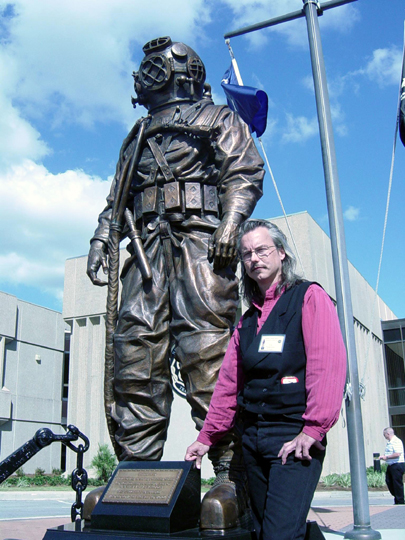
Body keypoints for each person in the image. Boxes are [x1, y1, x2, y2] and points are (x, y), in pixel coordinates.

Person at [86, 36, 264, 528]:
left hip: (202, 248)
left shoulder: (219, 119)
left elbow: (243, 172)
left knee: (208, 352)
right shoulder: (137, 135)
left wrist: (231, 223)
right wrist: (104, 237)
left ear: (181, 71)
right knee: (136, 355)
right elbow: (117, 197)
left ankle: (230, 475)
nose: (143, 75)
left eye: (153, 66)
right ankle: (137, 473)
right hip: (145, 253)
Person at [185, 219, 347, 540]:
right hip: (253, 440)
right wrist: (206, 439)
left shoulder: (308, 297)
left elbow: (327, 366)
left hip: (293, 436)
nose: (254, 259)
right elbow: (228, 387)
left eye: (262, 250)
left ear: (281, 253)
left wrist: (313, 429)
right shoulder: (246, 322)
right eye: (246, 254)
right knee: (265, 531)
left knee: (280, 534)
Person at [379, 427, 404, 504]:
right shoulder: (390, 442)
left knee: (397, 483)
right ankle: (397, 497)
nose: (384, 436)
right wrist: (384, 457)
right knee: (389, 481)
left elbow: (397, 454)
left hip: (397, 464)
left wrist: (386, 457)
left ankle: (400, 500)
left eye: (384, 434)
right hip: (391, 465)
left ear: (388, 434)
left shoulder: (396, 441)